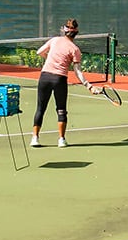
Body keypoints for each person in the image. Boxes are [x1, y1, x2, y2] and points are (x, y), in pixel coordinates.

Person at [30, 18, 92, 147]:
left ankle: (35, 138)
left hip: (45, 77)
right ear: (76, 33)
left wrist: (50, 59)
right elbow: (78, 71)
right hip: (59, 79)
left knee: (40, 108)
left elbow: (39, 52)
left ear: (64, 30)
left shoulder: (54, 40)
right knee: (61, 110)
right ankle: (61, 140)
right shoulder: (75, 49)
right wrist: (88, 85)